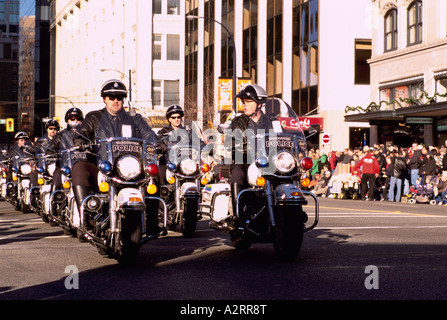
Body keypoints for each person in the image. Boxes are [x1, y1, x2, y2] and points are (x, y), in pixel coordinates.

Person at [72, 79, 159, 234]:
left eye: (119, 98)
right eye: (111, 98)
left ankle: (152, 221)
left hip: (130, 167)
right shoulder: (93, 118)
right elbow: (83, 132)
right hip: (102, 166)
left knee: (153, 172)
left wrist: (158, 143)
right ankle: (86, 216)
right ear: (104, 99)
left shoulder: (135, 119)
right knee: (79, 168)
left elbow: (149, 135)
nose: (116, 101)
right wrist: (81, 139)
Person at [228, 84, 273, 215]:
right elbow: (233, 142)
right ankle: (238, 213)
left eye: (248, 102)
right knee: (237, 171)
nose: (244, 105)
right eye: (243, 102)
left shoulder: (271, 122)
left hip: (268, 161)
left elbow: (282, 139)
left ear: (259, 104)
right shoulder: (238, 122)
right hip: (246, 160)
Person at [46, 107, 85, 191]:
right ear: (67, 121)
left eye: (78, 119)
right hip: (65, 167)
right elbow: (51, 147)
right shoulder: (60, 135)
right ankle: (53, 200)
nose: (75, 121)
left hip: (83, 166)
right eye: (72, 119)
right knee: (57, 176)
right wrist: (50, 154)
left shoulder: (86, 133)